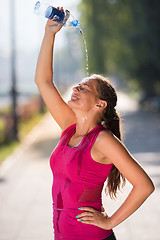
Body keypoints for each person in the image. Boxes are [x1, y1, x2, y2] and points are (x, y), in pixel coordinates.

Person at [34, 8, 155, 240]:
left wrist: (109, 221)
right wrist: (49, 34)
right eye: (78, 85)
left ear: (100, 105)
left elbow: (144, 186)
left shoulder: (103, 140)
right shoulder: (69, 128)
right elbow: (43, 81)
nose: (76, 88)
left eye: (85, 87)